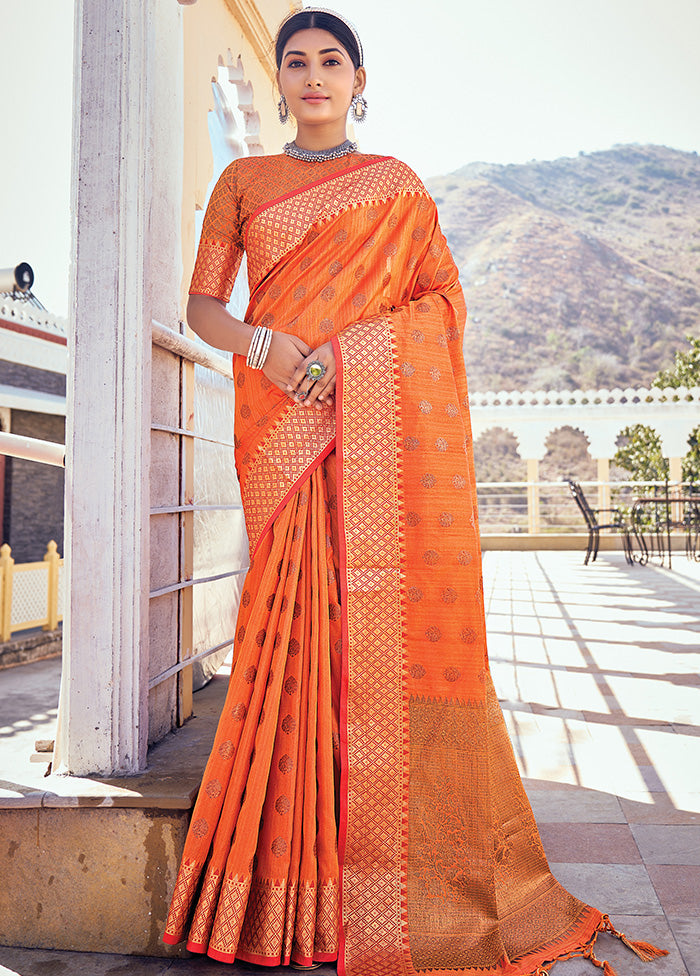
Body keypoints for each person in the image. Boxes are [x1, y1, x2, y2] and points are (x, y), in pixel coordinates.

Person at [163, 9, 667, 975]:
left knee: (371, 648)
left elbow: (440, 306)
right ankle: (281, 897)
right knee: (292, 638)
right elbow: (201, 307)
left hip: (371, 434)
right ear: (276, 82)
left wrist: (353, 355)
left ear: (359, 79)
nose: (313, 77)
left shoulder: (395, 188)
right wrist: (264, 344)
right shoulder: (243, 182)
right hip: (283, 428)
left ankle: (383, 883)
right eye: (296, 62)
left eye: (331, 62)